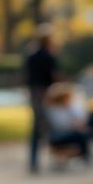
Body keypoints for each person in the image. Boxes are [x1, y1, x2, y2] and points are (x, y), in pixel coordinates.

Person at [22, 25, 58, 174]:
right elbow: (53, 77)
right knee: (45, 126)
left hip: (34, 93)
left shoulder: (31, 55)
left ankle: (35, 160)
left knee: (38, 127)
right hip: (44, 94)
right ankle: (54, 157)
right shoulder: (48, 56)